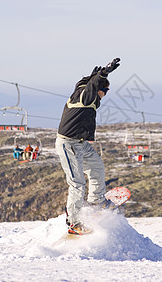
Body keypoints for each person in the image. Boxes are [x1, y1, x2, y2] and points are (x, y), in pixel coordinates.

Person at [56, 58, 120, 235]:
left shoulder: (81, 91)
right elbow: (90, 87)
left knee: (97, 168)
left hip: (81, 144)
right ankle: (74, 223)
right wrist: (103, 74)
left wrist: (93, 76)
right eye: (105, 91)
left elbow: (83, 83)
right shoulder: (85, 97)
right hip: (68, 145)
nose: (105, 95)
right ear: (101, 90)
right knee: (77, 184)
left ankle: (96, 201)